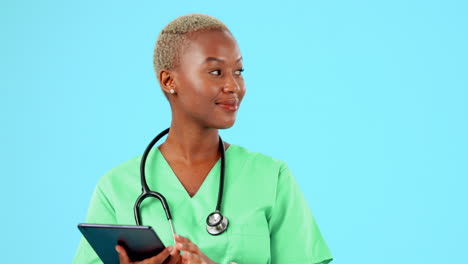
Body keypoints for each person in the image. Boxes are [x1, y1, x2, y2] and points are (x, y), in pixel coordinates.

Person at [72, 13, 333, 264]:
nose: (233, 86)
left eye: (239, 71)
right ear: (169, 80)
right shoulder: (116, 187)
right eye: (216, 72)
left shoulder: (270, 177)